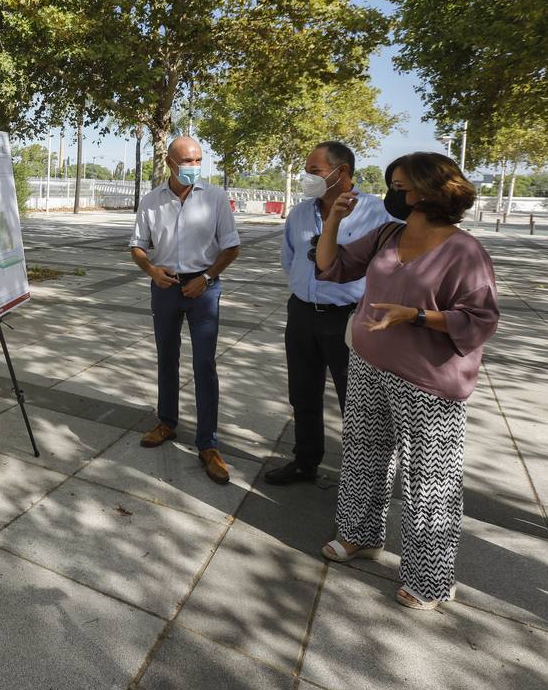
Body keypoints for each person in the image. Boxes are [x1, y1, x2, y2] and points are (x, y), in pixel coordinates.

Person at [314, 152, 499, 609]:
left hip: (427, 381)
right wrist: (335, 221)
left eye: (400, 185)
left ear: (430, 191)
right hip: (369, 365)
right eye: (392, 184)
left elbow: (481, 318)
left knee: (430, 477)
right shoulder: (387, 234)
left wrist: (415, 316)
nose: (393, 192)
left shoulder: (464, 250)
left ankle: (431, 578)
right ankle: (359, 534)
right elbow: (331, 267)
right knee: (362, 452)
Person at [267, 142, 395, 485]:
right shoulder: (299, 213)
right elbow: (290, 257)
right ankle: (305, 461)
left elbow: (393, 267)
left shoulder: (377, 213)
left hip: (348, 317)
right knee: (303, 393)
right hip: (303, 314)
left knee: (354, 401)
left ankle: (360, 478)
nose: (307, 177)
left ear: (343, 173)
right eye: (307, 171)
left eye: (315, 171)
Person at [129, 136, 241, 483]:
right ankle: (167, 422)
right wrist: (152, 271)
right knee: (167, 357)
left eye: (198, 160)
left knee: (204, 364)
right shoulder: (151, 200)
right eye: (187, 161)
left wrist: (206, 278)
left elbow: (232, 247)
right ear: (169, 162)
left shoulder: (216, 198)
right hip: (165, 288)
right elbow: (137, 246)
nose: (193, 166)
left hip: (203, 289)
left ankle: (208, 444)